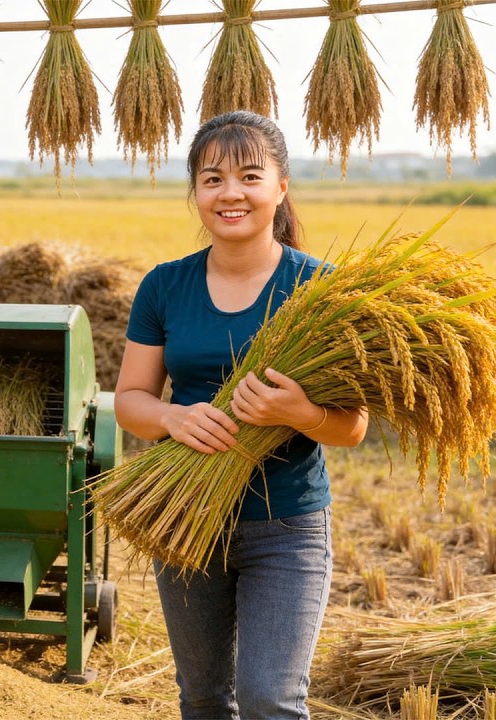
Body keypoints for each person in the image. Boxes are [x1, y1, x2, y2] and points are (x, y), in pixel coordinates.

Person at [114, 110, 369, 719]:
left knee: (270, 699)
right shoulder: (164, 287)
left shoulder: (319, 292)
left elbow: (353, 426)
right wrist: (173, 419)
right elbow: (129, 401)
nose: (231, 193)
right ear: (196, 193)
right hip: (183, 512)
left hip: (287, 525)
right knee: (203, 698)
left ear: (280, 188)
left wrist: (301, 411)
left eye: (250, 176)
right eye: (212, 179)